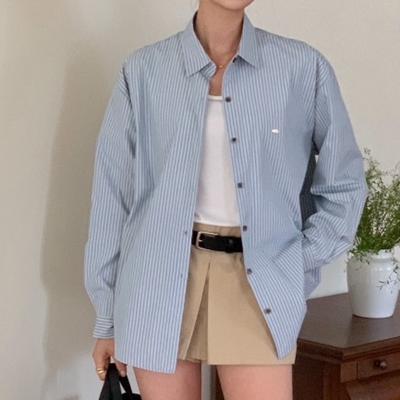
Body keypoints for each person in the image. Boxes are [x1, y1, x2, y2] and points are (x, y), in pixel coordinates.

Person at [84, 0, 368, 399]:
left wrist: (296, 260)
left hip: (258, 281)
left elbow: (345, 184)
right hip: (156, 278)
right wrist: (107, 319)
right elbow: (112, 197)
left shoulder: (302, 67)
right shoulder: (144, 70)